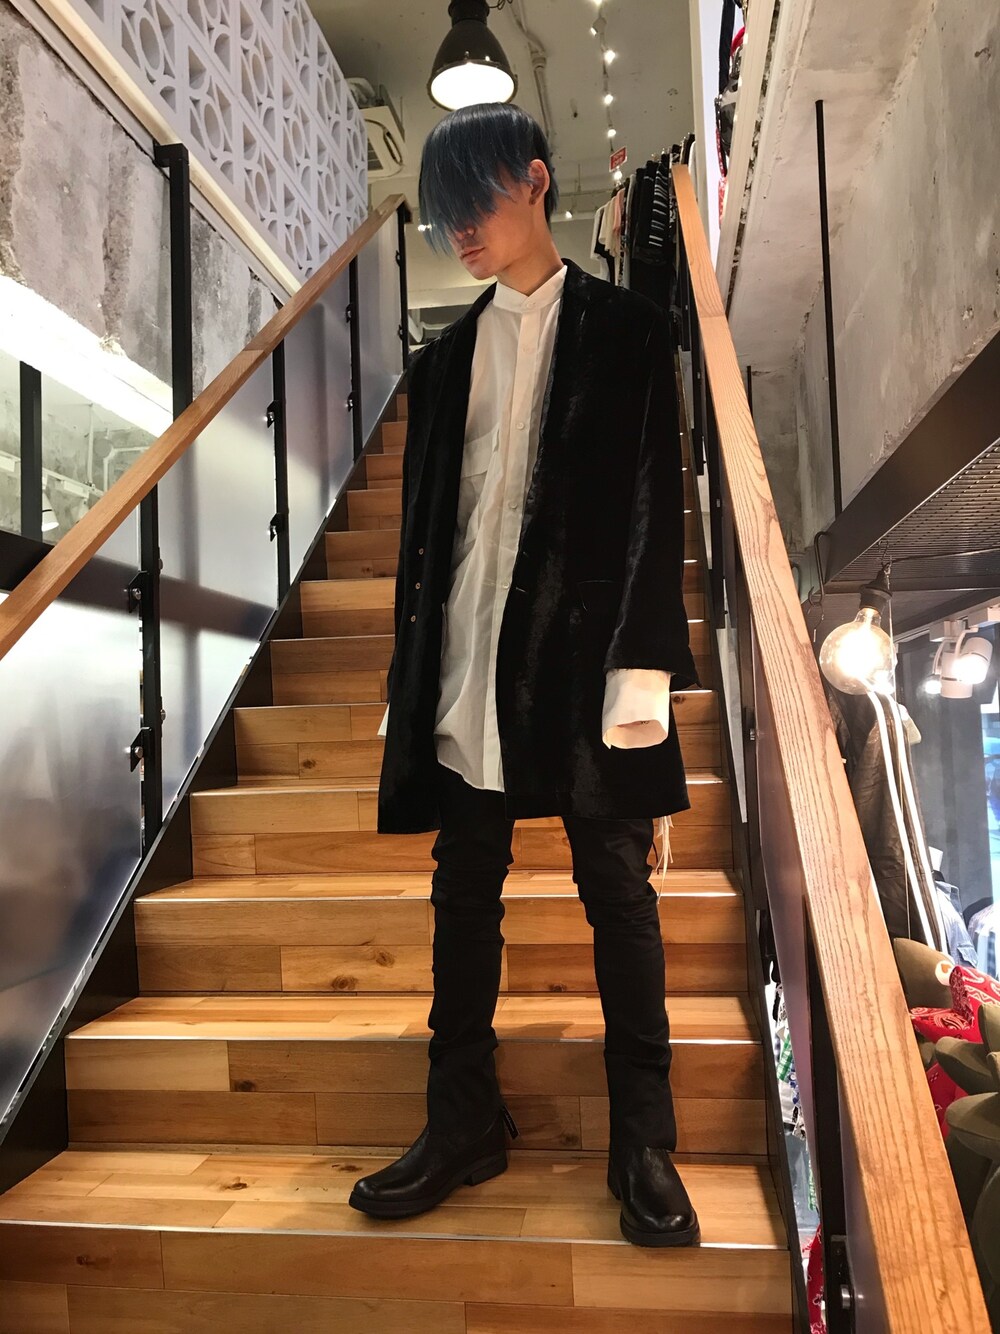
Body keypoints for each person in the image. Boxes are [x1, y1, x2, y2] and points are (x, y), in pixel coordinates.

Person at [349, 102, 699, 1248]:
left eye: (477, 202)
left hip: (586, 664)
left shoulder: (628, 330)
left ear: (537, 182)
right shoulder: (442, 362)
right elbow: (430, 541)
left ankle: (642, 1139)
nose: (458, 228)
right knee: (463, 887)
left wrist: (642, 673)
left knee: (617, 891)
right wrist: (412, 677)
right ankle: (462, 1121)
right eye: (442, 213)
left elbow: (653, 505)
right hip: (465, 661)